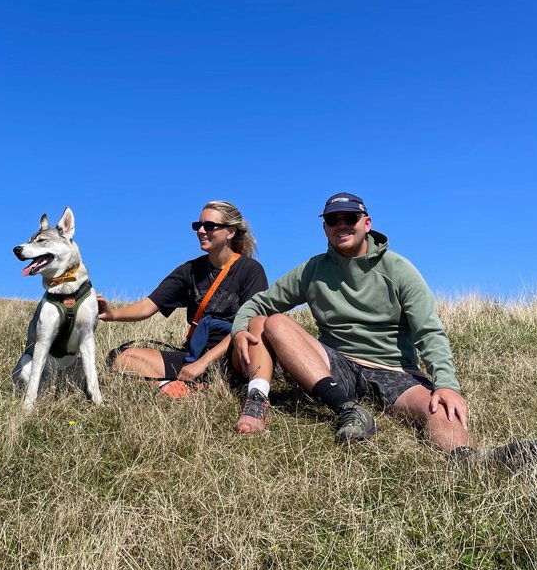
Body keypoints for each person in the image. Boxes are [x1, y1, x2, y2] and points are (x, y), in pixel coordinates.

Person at [231, 192, 473, 455]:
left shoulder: (399, 269)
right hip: (337, 366)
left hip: (393, 370)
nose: (342, 224)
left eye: (350, 217)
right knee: (273, 322)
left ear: (366, 223)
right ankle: (347, 409)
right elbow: (259, 304)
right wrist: (239, 330)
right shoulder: (312, 270)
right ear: (325, 228)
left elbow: (429, 331)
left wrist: (446, 385)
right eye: (333, 220)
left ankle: (467, 461)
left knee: (439, 408)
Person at [98, 201, 267, 396]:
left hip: (233, 355)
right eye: (198, 226)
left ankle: (208, 383)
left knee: (248, 344)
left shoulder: (250, 270)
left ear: (230, 232)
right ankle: (174, 386)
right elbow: (148, 306)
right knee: (121, 358)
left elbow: (249, 326)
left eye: (209, 226)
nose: (201, 231)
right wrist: (111, 314)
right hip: (194, 355)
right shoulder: (189, 271)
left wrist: (203, 363)